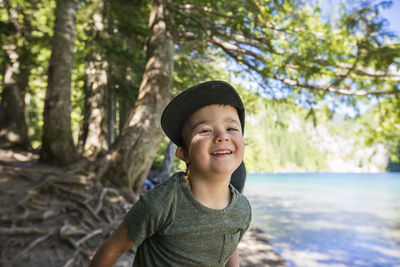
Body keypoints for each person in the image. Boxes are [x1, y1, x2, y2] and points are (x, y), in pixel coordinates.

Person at [89, 81, 252, 267]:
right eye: (205, 130)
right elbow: (113, 248)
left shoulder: (242, 209)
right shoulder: (161, 204)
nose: (222, 136)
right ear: (183, 153)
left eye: (231, 128)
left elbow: (230, 246)